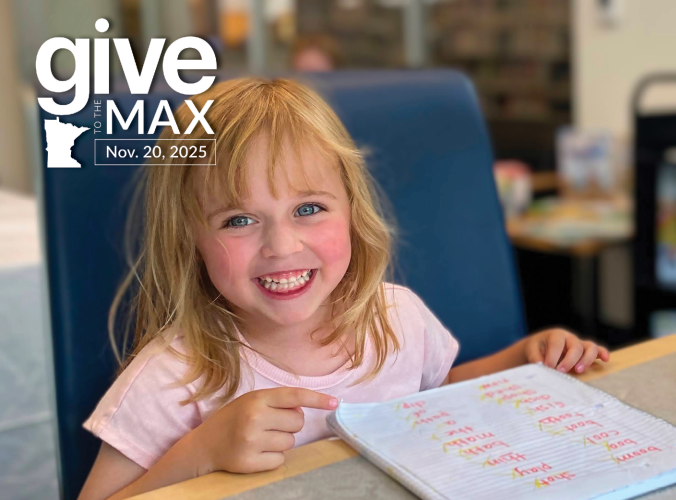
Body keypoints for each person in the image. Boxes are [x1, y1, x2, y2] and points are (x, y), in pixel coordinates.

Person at [77, 78, 610, 500]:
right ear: (190, 239)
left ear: (352, 211)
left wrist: (523, 359)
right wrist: (199, 454)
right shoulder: (171, 379)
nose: (281, 247)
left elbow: (437, 394)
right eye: (239, 220)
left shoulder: (397, 317)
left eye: (309, 209)